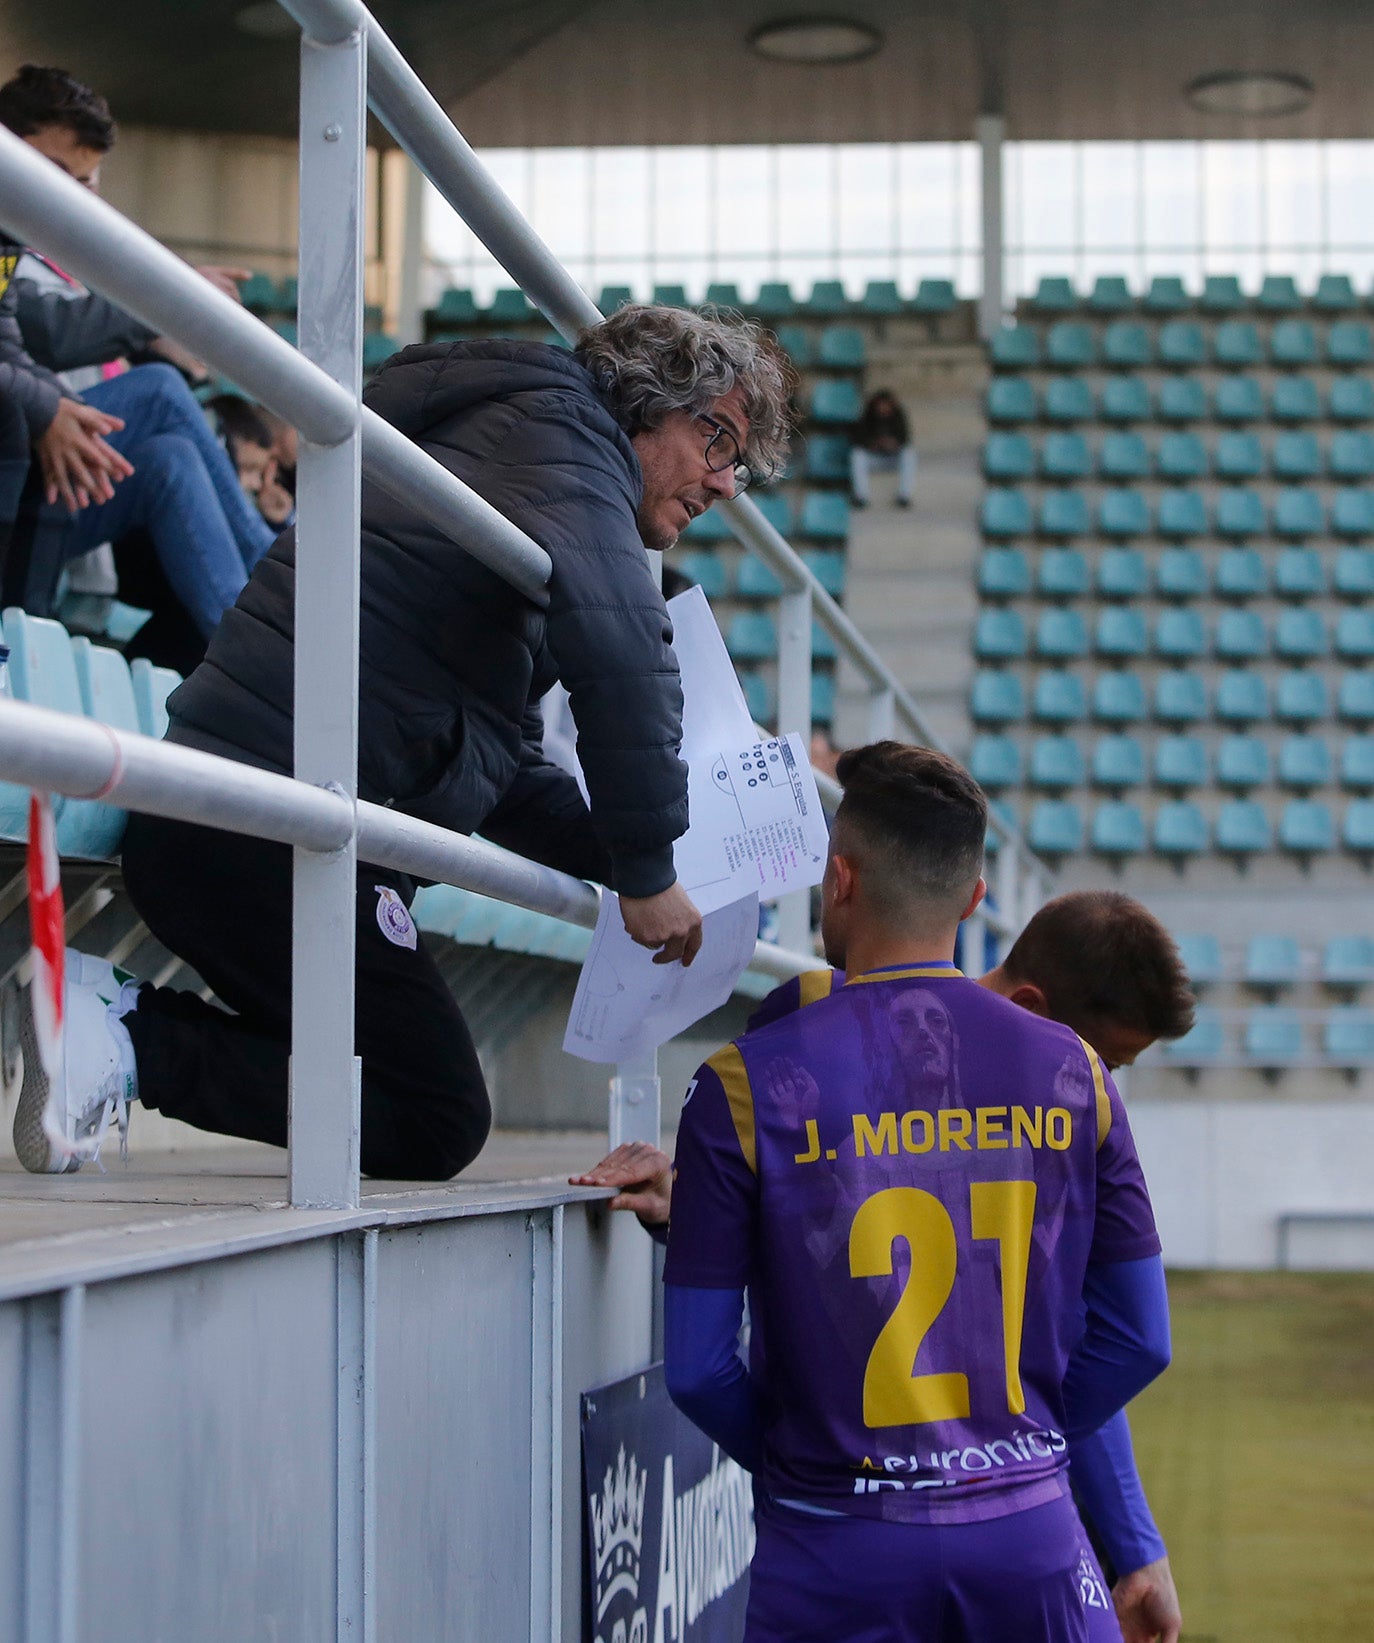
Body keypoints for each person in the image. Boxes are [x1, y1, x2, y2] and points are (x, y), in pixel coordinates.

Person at [13, 304, 795, 1184]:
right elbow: (624, 653)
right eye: (719, 443)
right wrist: (648, 867)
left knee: (427, 1099)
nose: (726, 483)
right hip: (267, 824)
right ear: (652, 404)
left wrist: (633, 860)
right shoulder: (565, 442)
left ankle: (111, 1030)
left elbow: (493, 763)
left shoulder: (522, 446)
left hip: (257, 815)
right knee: (437, 1112)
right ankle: (113, 1031)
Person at [575, 886, 1192, 1643]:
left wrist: (1133, 1544)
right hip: (999, 1533)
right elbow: (1099, 1351)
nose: (1101, 1073)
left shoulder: (809, 1022)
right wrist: (1014, 1453)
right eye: (1112, 1057)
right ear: (1035, 1005)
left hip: (848, 1531)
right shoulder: (1042, 1085)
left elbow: (1040, 1346)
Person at [0, 64, 274, 640]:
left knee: (171, 455)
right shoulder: (11, 239)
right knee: (158, 393)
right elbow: (44, 332)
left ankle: (257, 649)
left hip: (52, 474)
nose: (65, 200)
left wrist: (47, 406)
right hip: (22, 468)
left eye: (85, 184)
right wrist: (168, 297)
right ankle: (283, 587)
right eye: (51, 175)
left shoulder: (38, 244)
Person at [850, 388, 916, 509]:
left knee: (909, 453)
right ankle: (861, 496)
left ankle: (904, 495)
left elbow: (905, 439)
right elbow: (858, 440)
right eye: (880, 405)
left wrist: (892, 443)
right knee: (857, 455)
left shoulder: (898, 417)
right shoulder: (867, 418)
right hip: (873, 459)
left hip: (892, 459)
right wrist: (873, 444)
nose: (883, 408)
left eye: (886, 405)